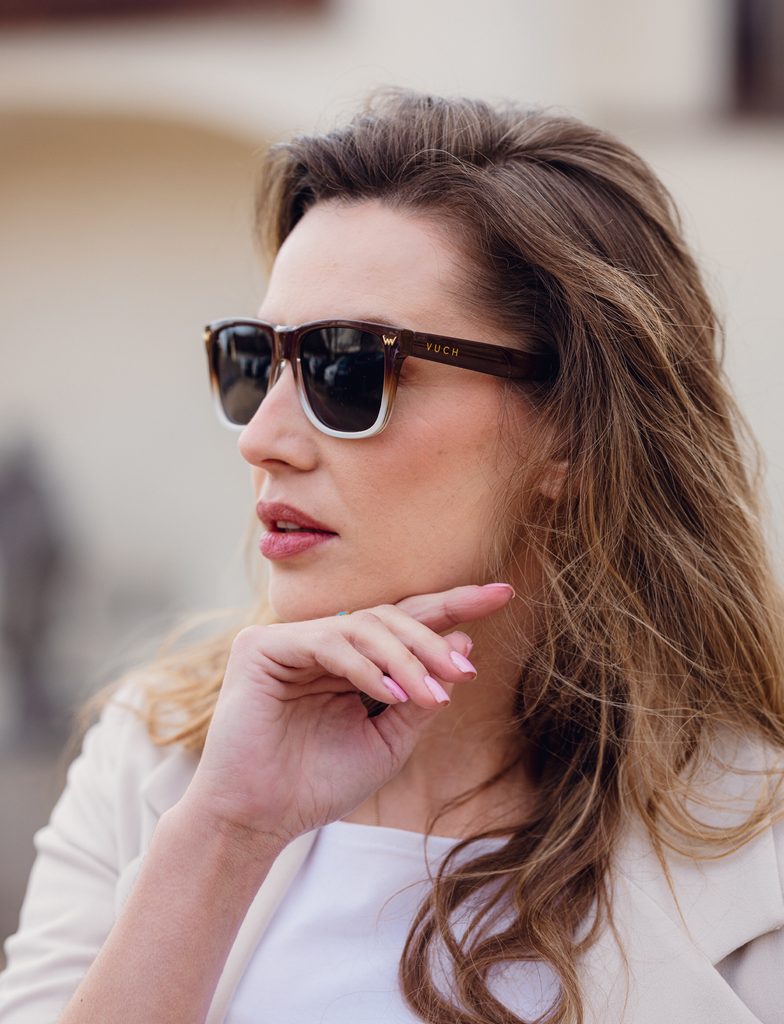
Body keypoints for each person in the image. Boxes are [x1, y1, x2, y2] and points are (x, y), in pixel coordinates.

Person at [1, 87, 783, 1024]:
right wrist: (226, 835)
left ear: (574, 431)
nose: (262, 439)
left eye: (347, 367)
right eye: (255, 361)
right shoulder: (161, 761)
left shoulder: (755, 835)